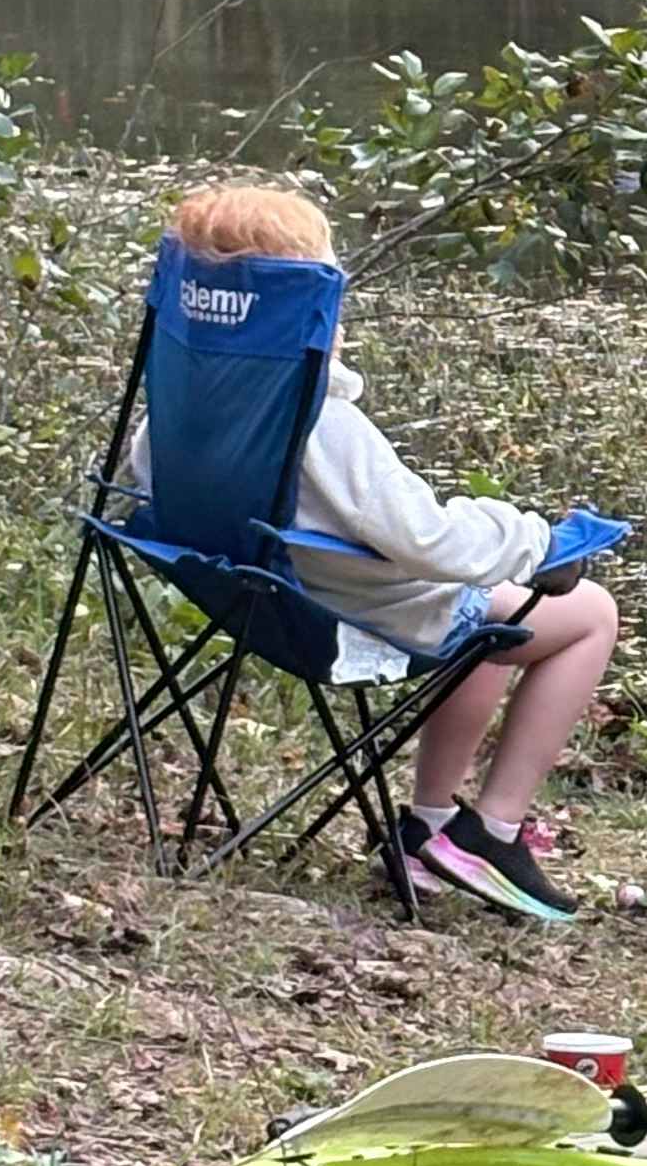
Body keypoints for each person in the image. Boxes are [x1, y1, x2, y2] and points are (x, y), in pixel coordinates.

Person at [161, 181, 620, 921]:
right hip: (348, 615)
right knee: (588, 613)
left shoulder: (185, 396)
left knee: (478, 615)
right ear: (308, 304)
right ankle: (494, 829)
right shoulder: (319, 421)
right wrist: (533, 537)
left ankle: (430, 824)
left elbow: (140, 481)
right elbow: (428, 540)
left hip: (251, 591)